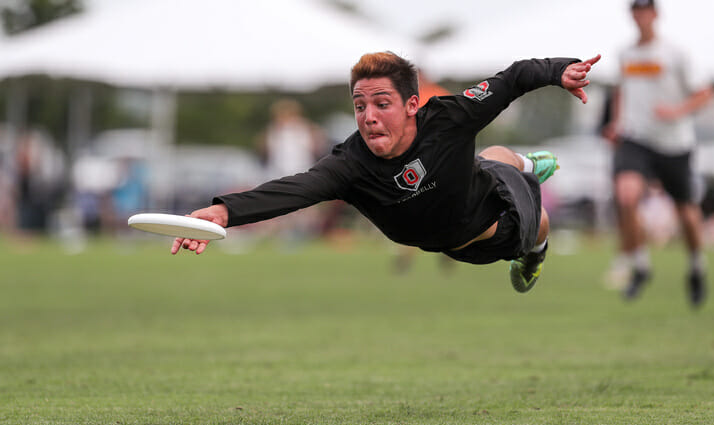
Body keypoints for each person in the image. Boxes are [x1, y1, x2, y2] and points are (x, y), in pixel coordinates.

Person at [172, 51, 601, 294]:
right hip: (447, 229)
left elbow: (513, 78)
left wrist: (559, 70)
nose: (369, 116)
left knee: (535, 215)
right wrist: (224, 212)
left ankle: (533, 243)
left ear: (412, 106)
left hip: (491, 225)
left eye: (382, 104)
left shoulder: (450, 117)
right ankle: (522, 166)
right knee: (489, 161)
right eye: (360, 106)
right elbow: (297, 189)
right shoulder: (351, 164)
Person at [603, 0, 714, 307]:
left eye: (645, 12)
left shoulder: (675, 52)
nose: (641, 18)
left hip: (674, 142)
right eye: (635, 12)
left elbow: (705, 93)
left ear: (656, 15)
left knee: (687, 215)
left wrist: (678, 111)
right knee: (626, 195)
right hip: (637, 138)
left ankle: (695, 267)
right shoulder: (625, 53)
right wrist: (616, 123)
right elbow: (621, 90)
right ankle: (640, 265)